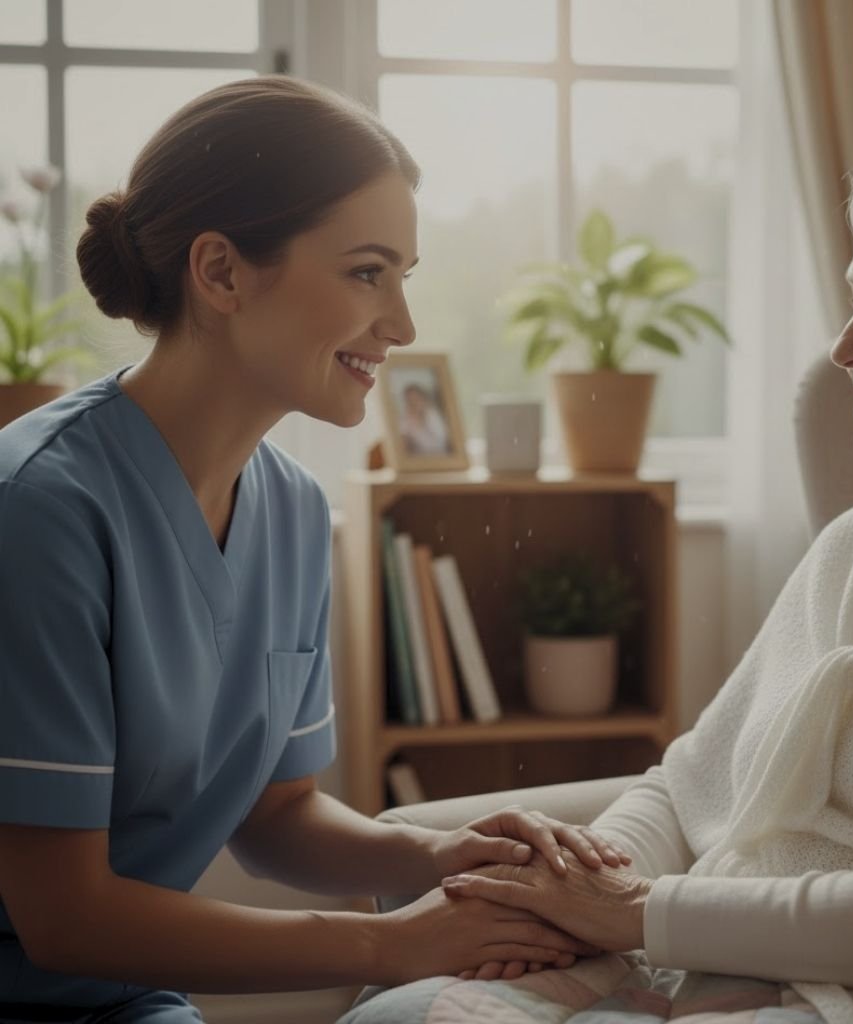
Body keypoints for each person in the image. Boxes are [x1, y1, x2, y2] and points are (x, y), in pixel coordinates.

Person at [348, 122, 853, 1024]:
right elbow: (687, 786)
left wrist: (635, 914)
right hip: (676, 958)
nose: (845, 345)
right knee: (395, 1015)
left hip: (835, 997)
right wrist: (574, 886)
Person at [0, 76, 633, 1023]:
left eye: (405, 277)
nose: (403, 326)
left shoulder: (293, 510)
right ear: (219, 273)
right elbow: (62, 918)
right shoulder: (38, 508)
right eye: (367, 271)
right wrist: (389, 943)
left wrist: (435, 855)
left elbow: (275, 814)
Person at [398, 380, 450, 455]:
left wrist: (420, 422)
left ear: (423, 399)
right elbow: (403, 443)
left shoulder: (432, 414)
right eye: (410, 401)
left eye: (416, 399)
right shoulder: (405, 419)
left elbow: (441, 440)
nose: (414, 403)